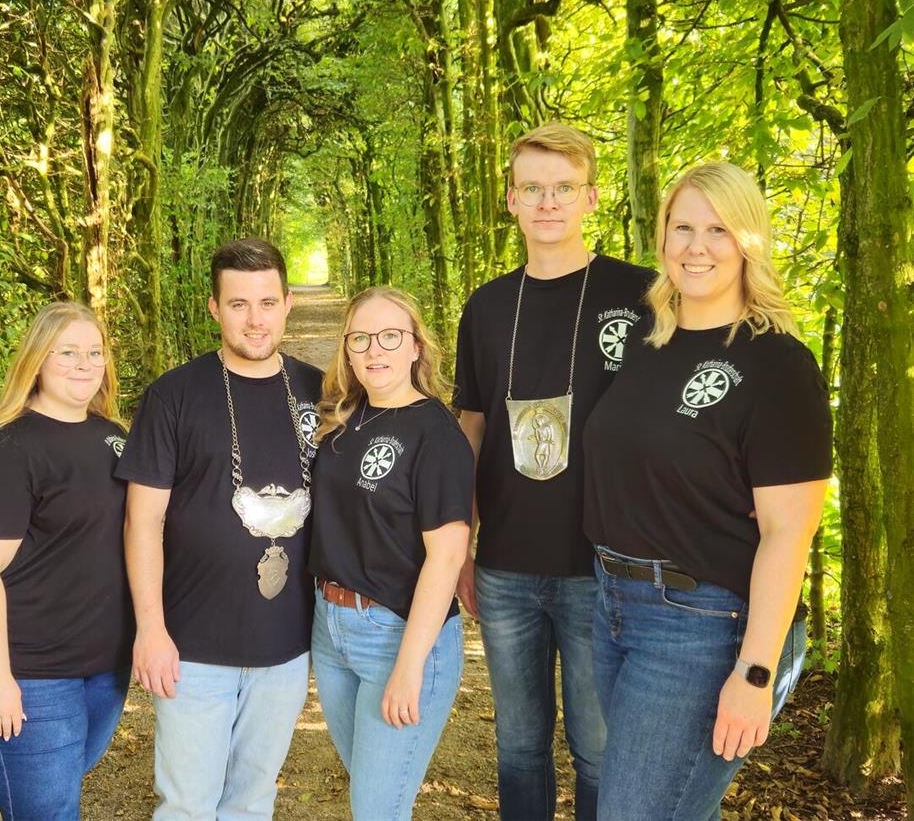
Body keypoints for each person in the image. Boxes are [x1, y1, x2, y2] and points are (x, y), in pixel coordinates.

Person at [582, 162, 832, 819]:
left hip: (703, 624)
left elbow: (788, 531)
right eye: (682, 225)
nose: (697, 245)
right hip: (615, 606)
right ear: (661, 236)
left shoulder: (778, 365)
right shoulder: (647, 338)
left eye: (719, 229)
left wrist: (756, 673)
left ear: (750, 240)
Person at [453, 123, 653, 820]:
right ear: (510, 199)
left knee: (599, 747)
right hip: (506, 566)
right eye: (532, 187)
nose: (547, 201)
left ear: (590, 197)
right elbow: (471, 427)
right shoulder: (485, 307)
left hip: (605, 565)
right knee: (519, 747)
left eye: (563, 187)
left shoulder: (643, 294)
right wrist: (460, 546)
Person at [117, 238, 323, 820]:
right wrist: (150, 629)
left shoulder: (320, 392)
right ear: (214, 308)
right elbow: (142, 519)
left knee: (253, 800)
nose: (254, 319)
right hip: (193, 643)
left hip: (286, 644)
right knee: (187, 804)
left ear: (287, 303)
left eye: (266, 302)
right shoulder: (174, 395)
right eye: (238, 304)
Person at [0, 301, 133, 821]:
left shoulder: (115, 437)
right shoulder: (8, 445)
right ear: (36, 361)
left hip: (103, 667)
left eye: (94, 352)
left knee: (55, 799)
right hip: (28, 670)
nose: (84, 363)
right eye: (66, 352)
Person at [310, 287, 474, 820]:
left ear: (415, 348)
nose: (374, 350)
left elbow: (446, 558)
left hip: (397, 637)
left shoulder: (436, 433)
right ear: (348, 351)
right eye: (360, 338)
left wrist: (409, 666)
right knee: (375, 795)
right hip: (331, 629)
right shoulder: (342, 420)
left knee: (378, 809)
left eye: (390, 336)